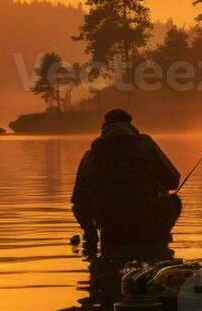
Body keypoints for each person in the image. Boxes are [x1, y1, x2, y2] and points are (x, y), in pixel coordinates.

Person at [72, 109, 182, 258]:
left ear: (103, 128)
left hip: (111, 229)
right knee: (174, 200)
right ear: (130, 126)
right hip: (150, 222)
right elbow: (173, 181)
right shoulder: (145, 144)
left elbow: (78, 203)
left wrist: (91, 236)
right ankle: (160, 243)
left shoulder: (91, 155)